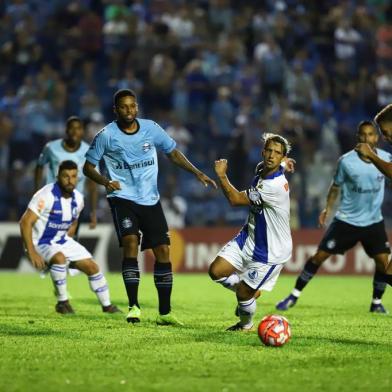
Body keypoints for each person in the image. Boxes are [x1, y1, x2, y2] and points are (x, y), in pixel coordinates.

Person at [83, 88, 217, 325]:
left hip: (150, 199)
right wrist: (105, 182)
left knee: (163, 251)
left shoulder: (151, 128)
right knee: (131, 243)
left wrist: (197, 173)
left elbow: (173, 153)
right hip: (122, 198)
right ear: (116, 110)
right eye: (124, 107)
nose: (129, 110)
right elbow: (88, 167)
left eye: (132, 106)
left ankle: (165, 313)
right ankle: (133, 306)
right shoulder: (106, 135)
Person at [277, 121, 392, 313]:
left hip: (373, 221)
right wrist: (327, 208)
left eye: (371, 134)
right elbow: (335, 187)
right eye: (363, 135)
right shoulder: (346, 161)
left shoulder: (386, 158)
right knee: (319, 257)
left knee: (383, 263)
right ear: (358, 137)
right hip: (347, 220)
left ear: (377, 137)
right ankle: (294, 295)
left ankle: (376, 303)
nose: (366, 138)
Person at [209, 133, 292, 331]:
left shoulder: (274, 186)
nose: (272, 155)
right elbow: (279, 164)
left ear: (281, 157)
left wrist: (221, 175)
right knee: (216, 271)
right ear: (263, 152)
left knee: (243, 295)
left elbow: (235, 200)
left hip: (270, 251)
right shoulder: (263, 168)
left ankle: (245, 325)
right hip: (249, 237)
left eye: (277, 153)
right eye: (269, 151)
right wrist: (286, 161)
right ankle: (250, 291)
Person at [19, 160, 120, 315]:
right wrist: (30, 251)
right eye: (66, 176)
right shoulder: (45, 195)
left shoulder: (78, 199)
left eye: (73, 176)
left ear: (77, 177)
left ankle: (107, 306)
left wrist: (68, 239)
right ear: (58, 176)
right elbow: (25, 222)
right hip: (40, 241)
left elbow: (74, 222)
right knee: (59, 258)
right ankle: (62, 302)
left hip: (61, 241)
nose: (70, 180)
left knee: (92, 267)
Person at [34, 116, 97, 231]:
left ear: (83, 131)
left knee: (71, 241)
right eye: (71, 128)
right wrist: (36, 195)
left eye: (78, 128)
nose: (75, 131)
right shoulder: (51, 148)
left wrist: (93, 211)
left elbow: (92, 184)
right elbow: (39, 166)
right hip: (52, 202)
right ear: (66, 130)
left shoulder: (89, 152)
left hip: (76, 205)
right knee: (50, 239)